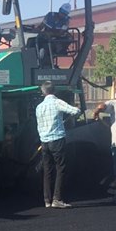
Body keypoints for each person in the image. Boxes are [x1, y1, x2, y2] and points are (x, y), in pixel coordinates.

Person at [35, 81, 81, 209]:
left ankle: (47, 199)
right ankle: (57, 198)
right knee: (61, 168)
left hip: (44, 141)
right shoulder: (57, 102)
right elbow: (76, 111)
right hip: (57, 140)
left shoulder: (39, 107)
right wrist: (74, 112)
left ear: (43, 92)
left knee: (47, 169)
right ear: (54, 91)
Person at [36, 3, 71, 67]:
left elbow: (61, 33)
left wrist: (51, 34)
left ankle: (44, 62)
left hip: (56, 40)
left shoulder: (66, 21)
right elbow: (41, 26)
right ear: (59, 10)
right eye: (62, 12)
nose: (62, 15)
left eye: (65, 14)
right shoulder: (49, 15)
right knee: (33, 41)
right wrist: (35, 29)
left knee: (47, 47)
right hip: (45, 37)